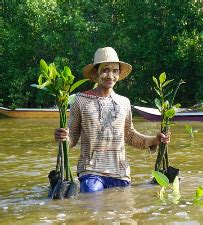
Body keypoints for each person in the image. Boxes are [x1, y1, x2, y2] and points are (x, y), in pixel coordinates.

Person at [54, 47, 169, 193]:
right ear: (96, 73)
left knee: (120, 213)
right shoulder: (80, 100)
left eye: (115, 71)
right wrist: (63, 138)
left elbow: (129, 135)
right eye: (105, 70)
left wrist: (155, 140)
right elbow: (73, 136)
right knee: (92, 202)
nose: (110, 75)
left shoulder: (124, 102)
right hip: (91, 172)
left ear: (119, 74)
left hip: (120, 173)